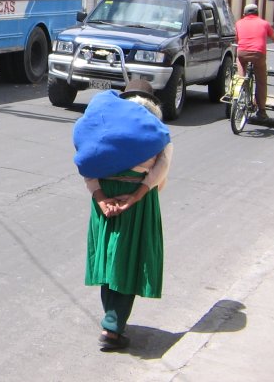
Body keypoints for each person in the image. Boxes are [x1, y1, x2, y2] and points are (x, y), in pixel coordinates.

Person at [73, 79, 173, 351]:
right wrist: (136, 196)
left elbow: (87, 160)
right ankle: (113, 328)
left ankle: (112, 320)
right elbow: (159, 172)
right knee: (128, 259)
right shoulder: (156, 132)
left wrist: (102, 197)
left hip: (104, 194)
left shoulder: (103, 125)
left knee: (108, 257)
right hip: (136, 197)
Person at [235, 3, 274, 120]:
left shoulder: (238, 23)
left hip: (242, 52)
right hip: (258, 54)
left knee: (240, 64)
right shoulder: (264, 23)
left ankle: (241, 82)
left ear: (244, 14)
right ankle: (261, 110)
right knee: (261, 81)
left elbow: (237, 39)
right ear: (257, 14)